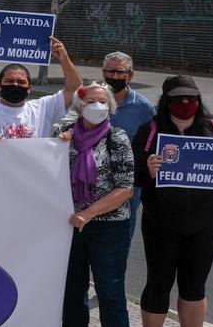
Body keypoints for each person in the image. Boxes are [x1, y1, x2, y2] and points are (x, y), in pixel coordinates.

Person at [133, 76, 213, 327]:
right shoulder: (150, 131)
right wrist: (147, 170)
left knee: (194, 287)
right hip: (160, 225)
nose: (185, 102)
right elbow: (133, 175)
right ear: (166, 101)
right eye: (178, 98)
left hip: (203, 226)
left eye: (191, 97)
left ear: (198, 99)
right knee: (158, 285)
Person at [51, 82, 134, 327]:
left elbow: (125, 188)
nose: (97, 106)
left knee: (110, 293)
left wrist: (88, 213)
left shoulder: (116, 137)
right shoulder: (63, 132)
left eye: (103, 102)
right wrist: (58, 145)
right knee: (72, 293)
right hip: (69, 227)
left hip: (108, 227)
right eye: (90, 101)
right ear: (79, 105)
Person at [0, 33, 82, 138]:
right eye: (9, 81)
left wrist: (64, 58)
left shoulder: (43, 108)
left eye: (21, 82)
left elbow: (75, 90)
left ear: (29, 88)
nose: (15, 84)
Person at [100, 51, 157, 243]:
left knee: (122, 233)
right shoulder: (89, 99)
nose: (115, 76)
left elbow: (152, 144)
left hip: (126, 183)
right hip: (92, 178)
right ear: (103, 73)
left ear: (130, 75)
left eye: (120, 72)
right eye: (110, 71)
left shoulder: (144, 108)